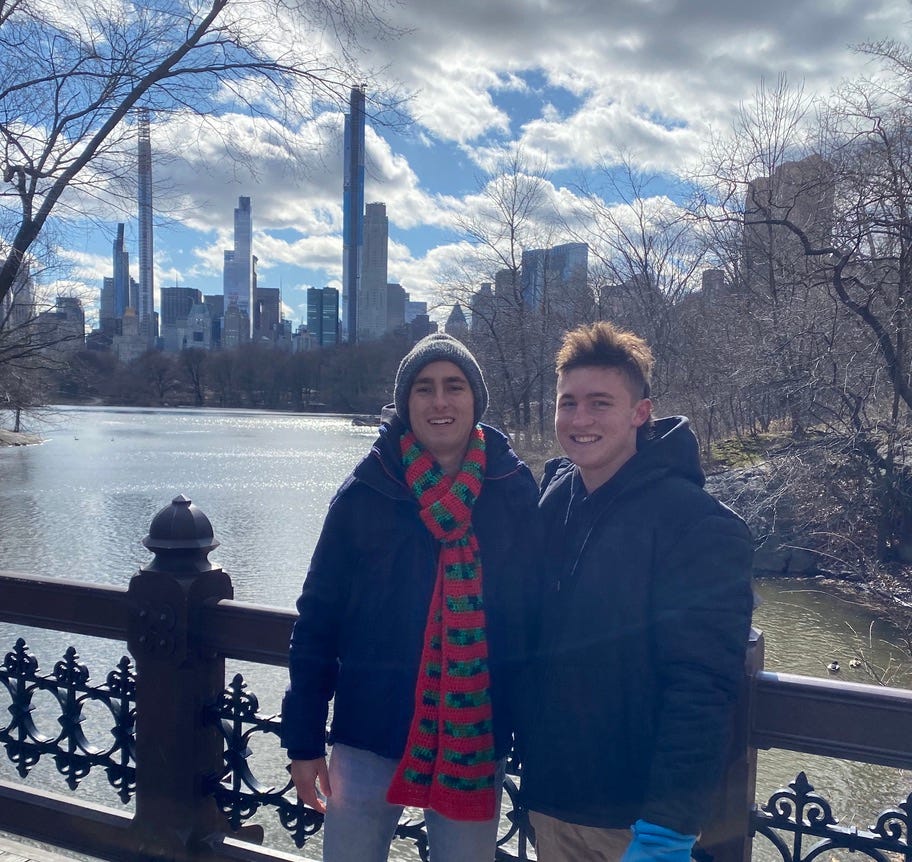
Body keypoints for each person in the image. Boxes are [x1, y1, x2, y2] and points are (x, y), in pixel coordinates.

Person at [280, 332, 539, 862]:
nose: (439, 402)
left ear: (475, 400)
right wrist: (303, 740)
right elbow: (317, 620)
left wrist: (533, 737)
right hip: (367, 734)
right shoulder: (365, 492)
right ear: (405, 404)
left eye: (454, 387)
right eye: (424, 389)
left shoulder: (513, 489)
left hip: (474, 737)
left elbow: (534, 624)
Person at [520, 321, 754, 862]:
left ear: (640, 413)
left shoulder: (697, 525)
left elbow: (702, 685)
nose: (580, 419)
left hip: (632, 823)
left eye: (600, 403)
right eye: (568, 402)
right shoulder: (554, 503)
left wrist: (667, 831)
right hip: (551, 803)